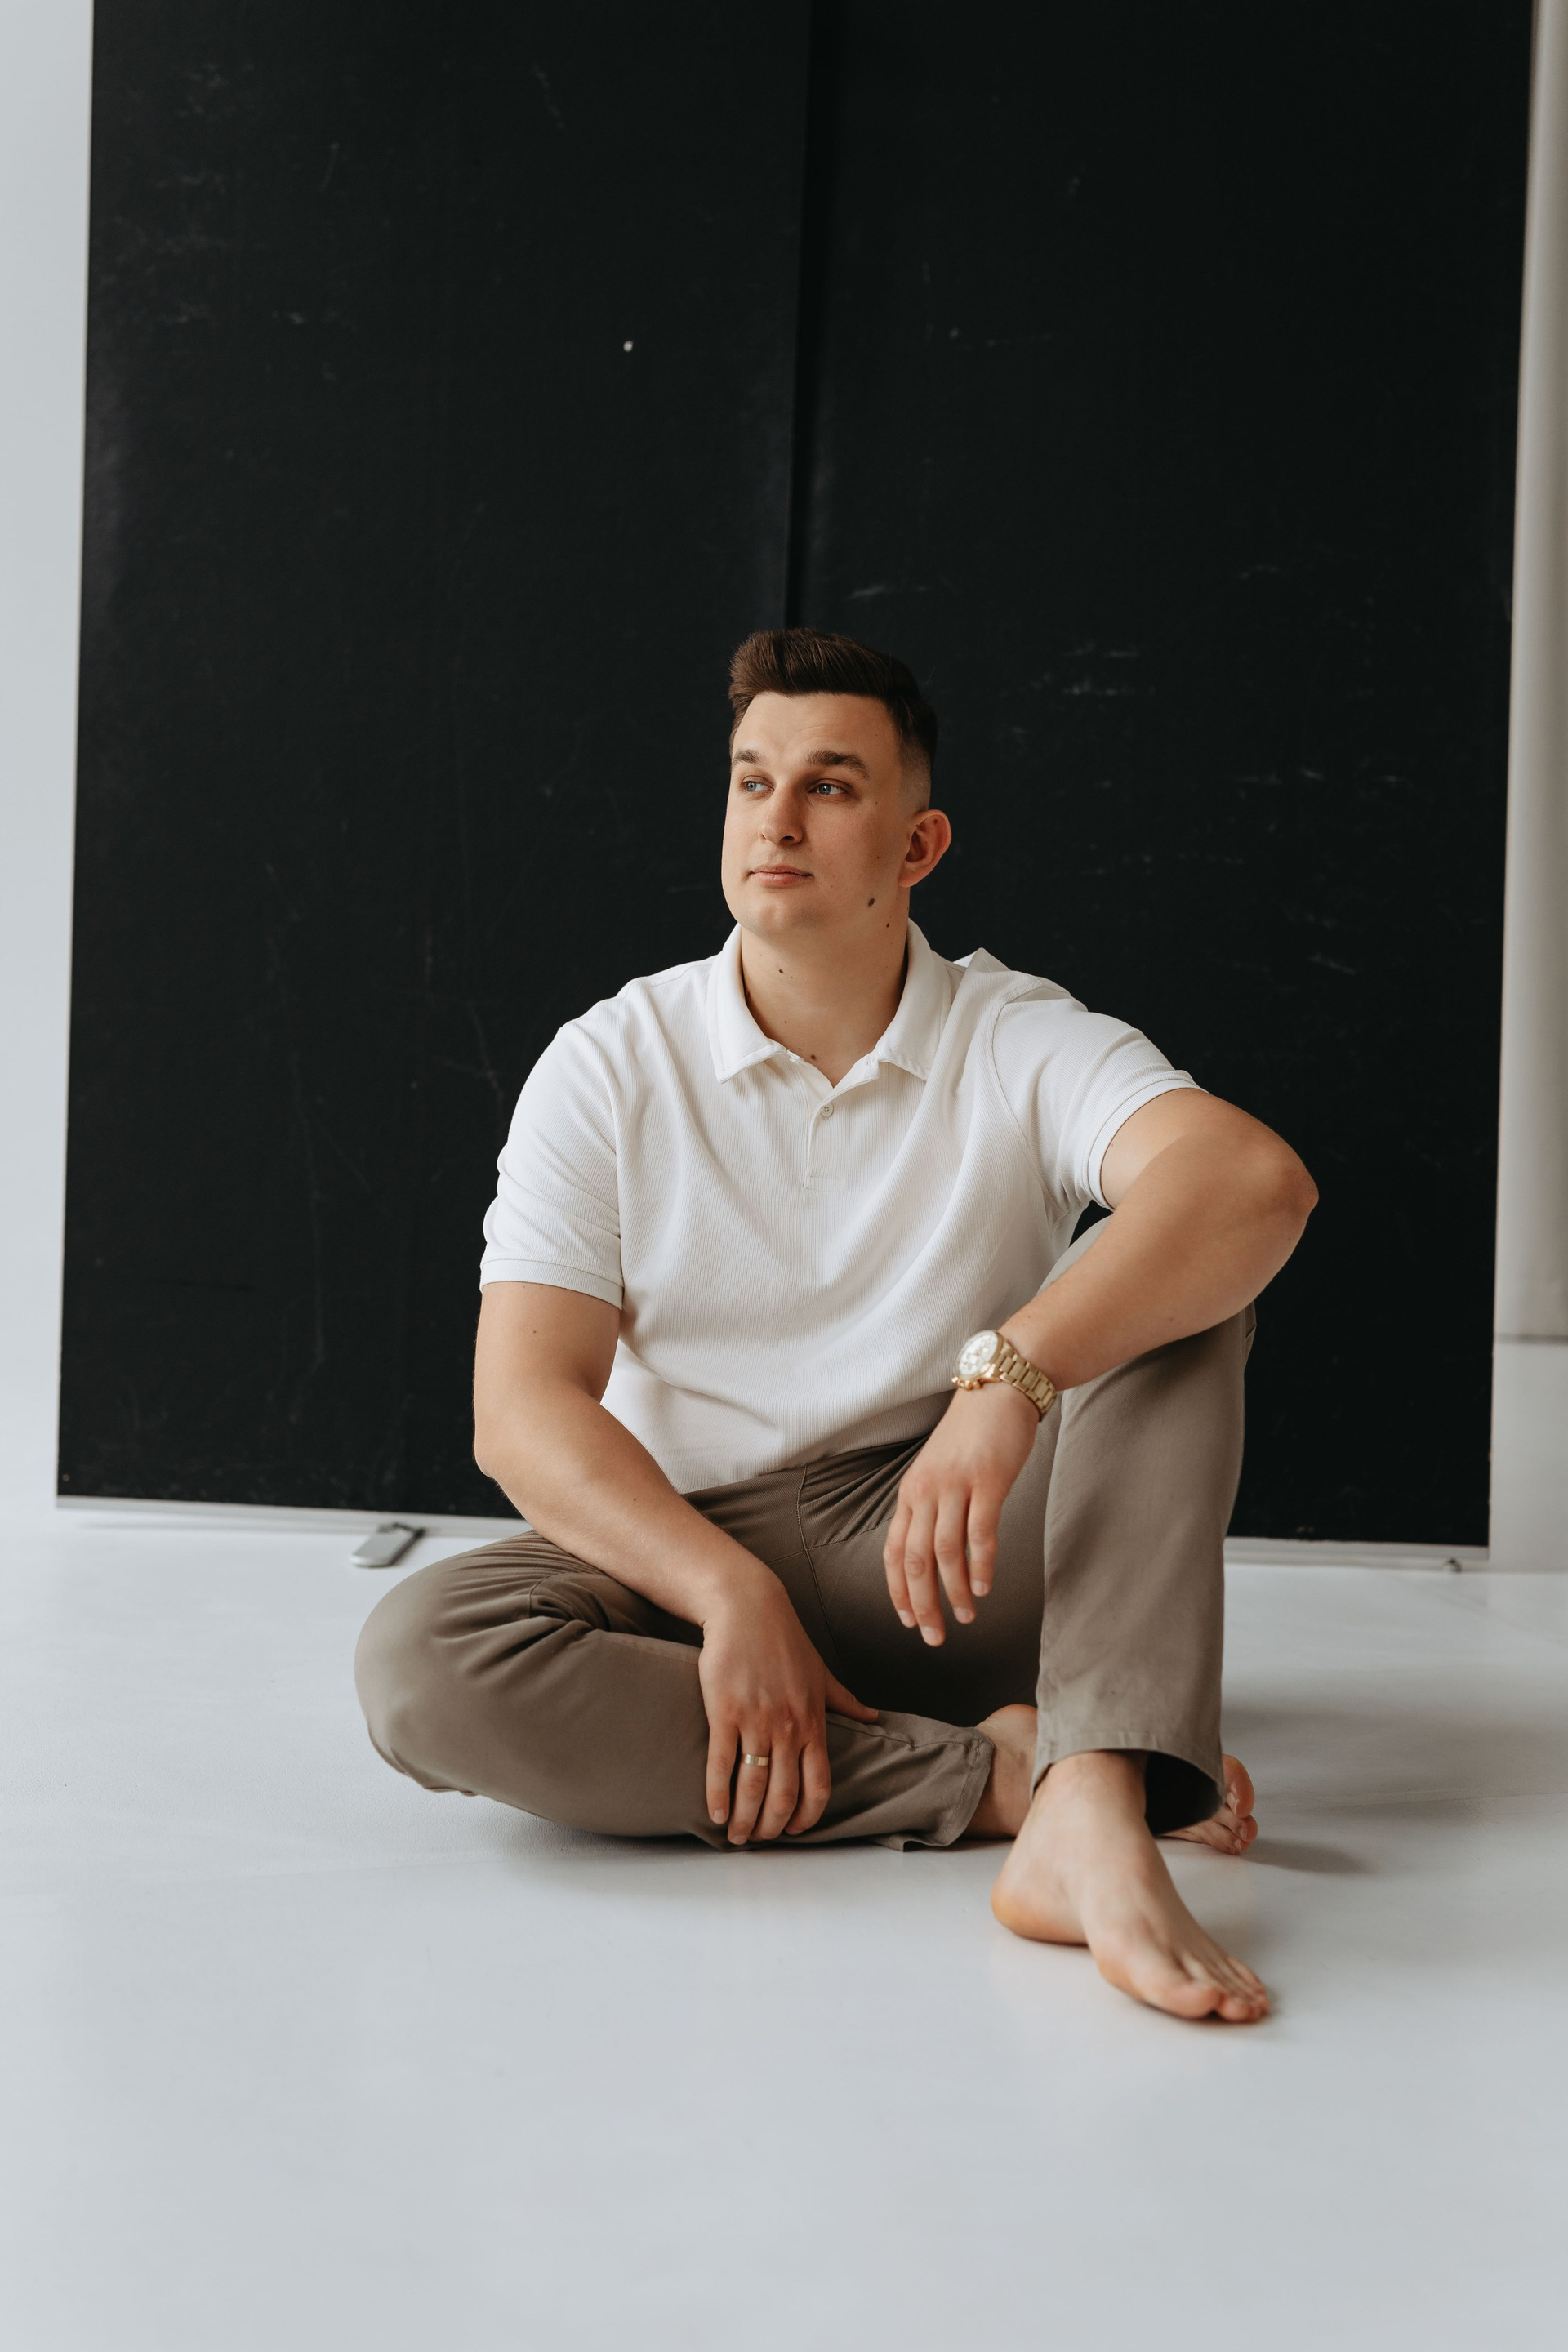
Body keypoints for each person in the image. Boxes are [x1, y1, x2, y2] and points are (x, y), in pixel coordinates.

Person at [356, 628, 1316, 2024]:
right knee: (422, 1662)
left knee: (1180, 1300)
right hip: (686, 1556)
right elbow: (523, 1411)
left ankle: (1097, 1794)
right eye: (753, 781)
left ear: (918, 846)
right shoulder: (610, 1060)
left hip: (948, 1553)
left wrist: (1006, 1381)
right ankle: (1009, 1780)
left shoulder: (1013, 1033)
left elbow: (1250, 1183)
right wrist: (726, 1592)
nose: (778, 819)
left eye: (829, 785)